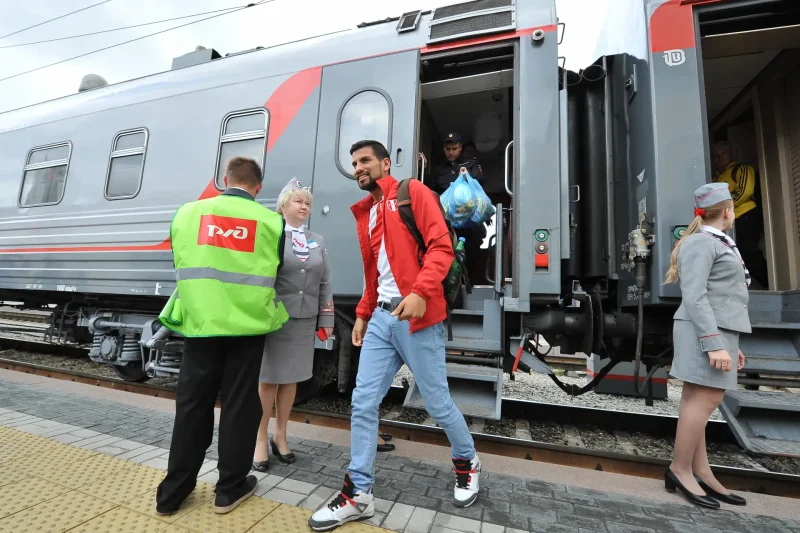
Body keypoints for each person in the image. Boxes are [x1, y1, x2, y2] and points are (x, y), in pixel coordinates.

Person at [309, 140, 480, 531]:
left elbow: (442, 247)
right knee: (363, 402)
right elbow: (375, 275)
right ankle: (359, 495)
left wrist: (420, 292)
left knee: (436, 404)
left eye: (365, 160)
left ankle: (467, 461)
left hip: (418, 318)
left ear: (385, 163)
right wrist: (364, 315)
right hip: (383, 322)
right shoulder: (367, 213)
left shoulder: (412, 193)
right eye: (354, 163)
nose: (358, 168)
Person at [155, 156, 289, 515]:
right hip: (247, 329)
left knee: (192, 406)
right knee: (240, 406)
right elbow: (276, 269)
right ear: (258, 188)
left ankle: (172, 493)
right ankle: (229, 489)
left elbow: (180, 260)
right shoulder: (271, 221)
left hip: (200, 326)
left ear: (224, 180)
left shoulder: (187, 213)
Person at [664, 182, 751, 509]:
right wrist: (715, 344)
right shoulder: (702, 243)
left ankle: (700, 471)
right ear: (728, 211)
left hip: (714, 331)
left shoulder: (712, 241)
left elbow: (719, 296)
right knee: (705, 399)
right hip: (704, 331)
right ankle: (680, 469)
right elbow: (695, 296)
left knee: (696, 400)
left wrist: (731, 345)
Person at [252, 178, 334, 471]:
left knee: (291, 379)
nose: (304, 206)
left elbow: (325, 281)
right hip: (274, 318)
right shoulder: (271, 234)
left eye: (308, 202)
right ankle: (260, 437)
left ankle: (281, 435)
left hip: (305, 319)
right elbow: (261, 277)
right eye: (299, 201)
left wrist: (326, 319)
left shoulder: (317, 239)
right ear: (283, 204)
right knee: (268, 379)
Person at [425, 132, 487, 285]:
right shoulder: (439, 169)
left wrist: (468, 177)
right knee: (445, 254)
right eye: (448, 149)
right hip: (446, 223)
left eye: (454, 148)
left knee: (471, 254)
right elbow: (429, 189)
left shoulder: (471, 165)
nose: (451, 152)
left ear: (460, 148)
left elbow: (480, 185)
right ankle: (449, 288)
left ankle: (469, 285)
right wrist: (424, 167)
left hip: (469, 223)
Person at [712, 141, 768, 288]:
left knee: (747, 250)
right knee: (729, 256)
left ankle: (769, 282)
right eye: (716, 156)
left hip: (746, 215)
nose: (719, 158)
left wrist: (722, 207)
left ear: (730, 154)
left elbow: (744, 191)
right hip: (726, 222)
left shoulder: (742, 169)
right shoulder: (715, 178)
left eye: (723, 154)